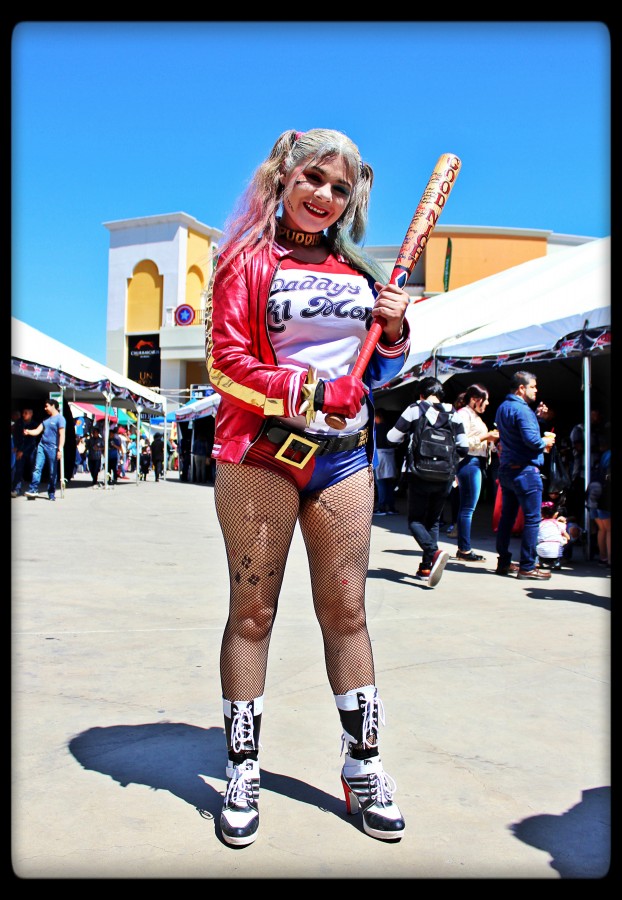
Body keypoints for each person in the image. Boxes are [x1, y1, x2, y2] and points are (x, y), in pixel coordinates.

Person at [205, 128, 411, 847]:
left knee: (347, 612)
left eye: (340, 186)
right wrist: (300, 387)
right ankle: (242, 766)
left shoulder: (360, 270)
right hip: (261, 454)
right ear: (284, 176)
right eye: (314, 178)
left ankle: (363, 765)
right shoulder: (244, 257)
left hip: (344, 459)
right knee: (253, 613)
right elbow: (222, 362)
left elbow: (375, 378)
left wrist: (393, 333)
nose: (325, 195)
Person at [386, 376, 468, 586]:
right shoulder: (454, 415)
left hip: (418, 473)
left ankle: (434, 552)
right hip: (445, 477)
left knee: (415, 521)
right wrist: (447, 463)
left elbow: (392, 437)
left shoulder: (415, 409)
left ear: (421, 394)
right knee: (432, 521)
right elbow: (464, 448)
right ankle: (425, 567)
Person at [494, 371, 556, 578]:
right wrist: (545, 442)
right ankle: (528, 566)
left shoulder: (504, 407)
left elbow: (515, 435)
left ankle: (503, 562)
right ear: (522, 388)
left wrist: (536, 418)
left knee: (507, 518)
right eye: (533, 387)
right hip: (525, 471)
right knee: (531, 519)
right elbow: (531, 440)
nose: (536, 390)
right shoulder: (522, 410)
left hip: (507, 469)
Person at [453, 384, 499, 562]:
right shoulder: (464, 414)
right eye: (484, 400)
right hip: (469, 462)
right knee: (468, 508)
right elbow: (462, 442)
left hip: (474, 462)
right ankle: (464, 549)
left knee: (466, 507)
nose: (487, 404)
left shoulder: (473, 416)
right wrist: (486, 437)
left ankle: (463, 548)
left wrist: (490, 441)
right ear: (474, 399)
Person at [24, 399, 66, 501]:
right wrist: (28, 432)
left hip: (53, 448)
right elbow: (37, 431)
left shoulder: (60, 419)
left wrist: (60, 449)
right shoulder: (46, 420)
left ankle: (51, 492)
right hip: (42, 446)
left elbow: (62, 435)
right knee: (37, 468)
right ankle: (33, 490)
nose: (45, 408)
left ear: (53, 406)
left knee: (52, 472)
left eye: (47, 406)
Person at [373, 409, 398, 515]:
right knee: (389, 483)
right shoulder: (390, 427)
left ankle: (381, 507)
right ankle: (391, 507)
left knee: (381, 483)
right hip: (390, 455)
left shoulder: (376, 429)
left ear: (377, 417)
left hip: (380, 455)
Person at [12, 407, 38, 497]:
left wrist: (22, 451)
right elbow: (16, 435)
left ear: (31, 414)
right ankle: (16, 489)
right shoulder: (19, 423)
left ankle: (33, 488)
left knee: (33, 469)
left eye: (26, 413)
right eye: (23, 413)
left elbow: (32, 441)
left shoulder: (34, 424)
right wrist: (16, 446)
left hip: (30, 450)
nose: (23, 415)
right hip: (20, 449)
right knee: (18, 469)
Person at [536, 501, 569, 570]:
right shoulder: (559, 524)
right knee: (563, 539)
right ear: (556, 514)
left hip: (541, 549)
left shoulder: (539, 524)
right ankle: (557, 561)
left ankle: (538, 561)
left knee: (537, 539)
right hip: (556, 551)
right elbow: (568, 537)